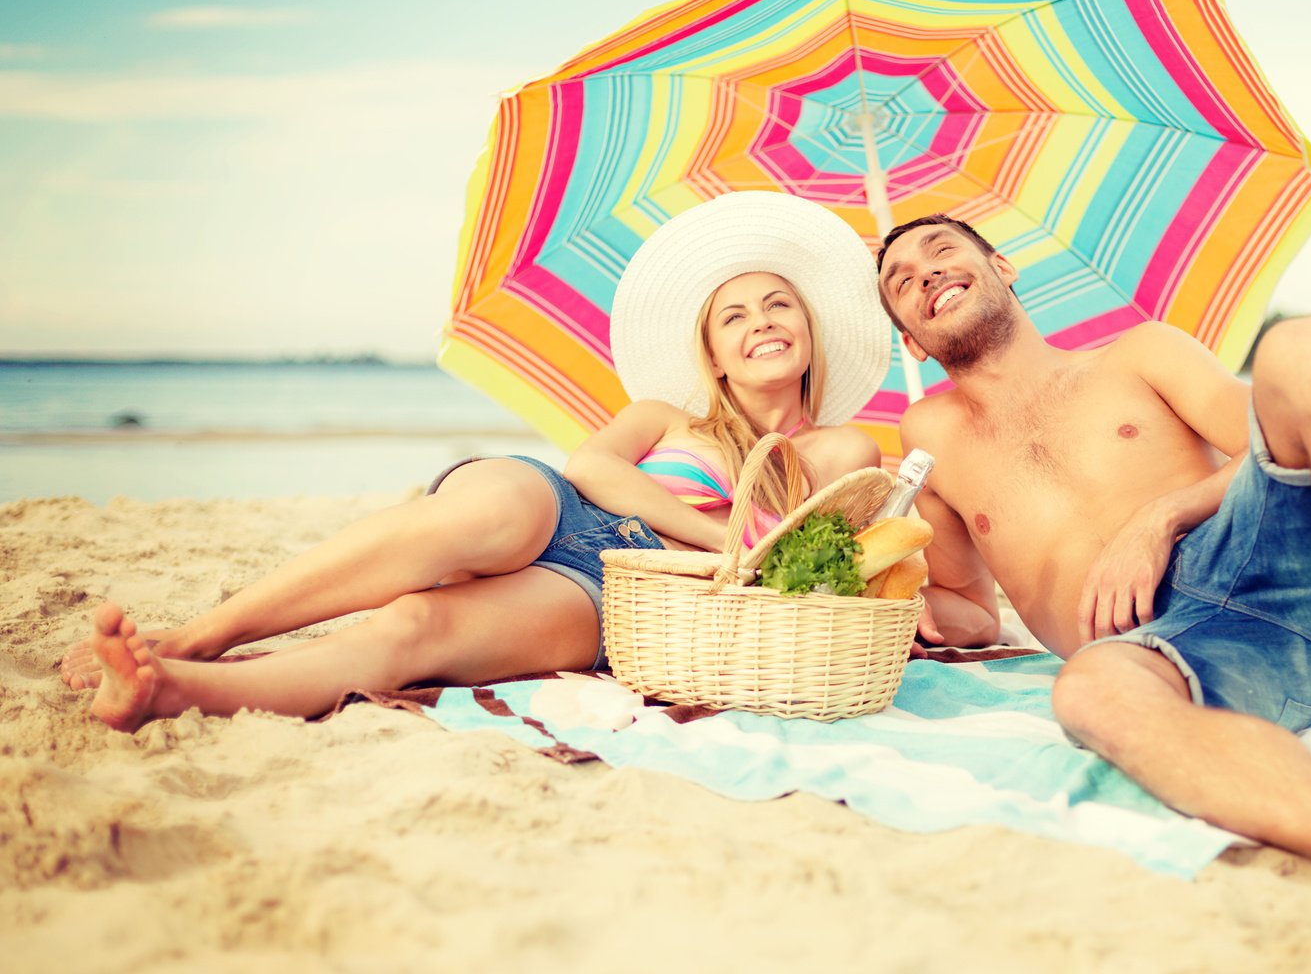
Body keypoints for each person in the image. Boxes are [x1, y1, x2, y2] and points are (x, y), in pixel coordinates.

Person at [875, 214, 1311, 927]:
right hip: (1175, 653)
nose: (925, 273)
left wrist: (1161, 517)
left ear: (1002, 266)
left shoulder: (1137, 354)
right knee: (1085, 694)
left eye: (940, 251)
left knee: (1307, 347)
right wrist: (915, 615)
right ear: (908, 338)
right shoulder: (927, 436)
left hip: (1270, 553)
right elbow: (968, 610)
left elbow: (1294, 435)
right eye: (899, 281)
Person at [61, 191, 893, 733]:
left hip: (618, 593)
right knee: (489, 512)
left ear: (811, 326)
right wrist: (714, 539)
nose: (760, 322)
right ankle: (201, 637)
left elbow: (806, 569)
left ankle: (168, 691)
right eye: (734, 317)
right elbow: (595, 471)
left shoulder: (834, 450)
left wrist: (724, 553)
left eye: (778, 303)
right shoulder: (663, 415)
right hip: (562, 511)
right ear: (713, 357)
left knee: (413, 629)